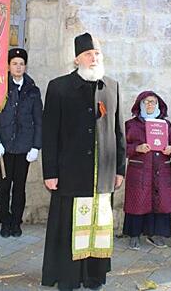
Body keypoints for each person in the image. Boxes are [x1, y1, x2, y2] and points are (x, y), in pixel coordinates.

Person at [41, 32, 126, 291]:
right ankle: (68, 277)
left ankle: (94, 276)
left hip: (102, 175)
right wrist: (50, 172)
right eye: (88, 54)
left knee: (98, 227)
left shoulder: (111, 86)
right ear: (77, 58)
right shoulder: (58, 87)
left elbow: (118, 130)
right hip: (70, 174)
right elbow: (49, 133)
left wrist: (120, 169)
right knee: (69, 227)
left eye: (97, 54)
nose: (94, 58)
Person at [0, 48, 42, 238]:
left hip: (24, 147)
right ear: (8, 66)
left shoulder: (32, 89)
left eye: (21, 63)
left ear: (25, 66)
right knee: (3, 186)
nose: (18, 67)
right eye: (15, 63)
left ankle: (16, 222)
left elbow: (39, 119)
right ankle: (5, 222)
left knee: (19, 187)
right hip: (3, 147)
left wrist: (36, 146)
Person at [123, 91, 171, 250]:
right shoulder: (131, 125)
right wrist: (137, 148)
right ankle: (134, 235)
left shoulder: (165, 125)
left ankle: (156, 235)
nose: (150, 105)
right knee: (137, 201)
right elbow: (122, 149)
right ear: (140, 104)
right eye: (146, 102)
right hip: (140, 171)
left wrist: (170, 149)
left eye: (153, 102)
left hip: (161, 171)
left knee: (160, 202)